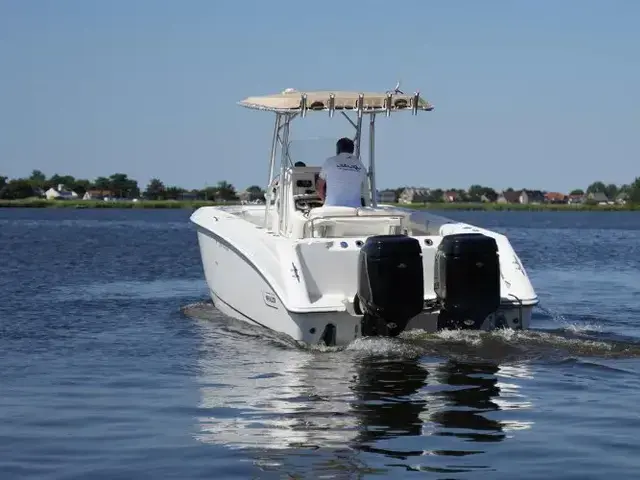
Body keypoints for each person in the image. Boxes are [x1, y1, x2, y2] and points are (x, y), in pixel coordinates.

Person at [315, 137, 367, 208]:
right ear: (352, 150)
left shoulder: (330, 162)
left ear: (338, 149)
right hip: (355, 210)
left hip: (332, 208)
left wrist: (325, 202)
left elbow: (319, 187)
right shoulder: (361, 166)